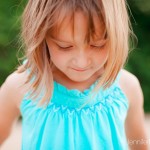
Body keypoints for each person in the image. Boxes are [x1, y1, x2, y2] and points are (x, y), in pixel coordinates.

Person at [0, 0, 149, 149]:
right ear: (41, 35)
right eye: (65, 46)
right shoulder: (21, 86)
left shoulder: (127, 87)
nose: (82, 62)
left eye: (97, 45)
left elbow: (139, 144)